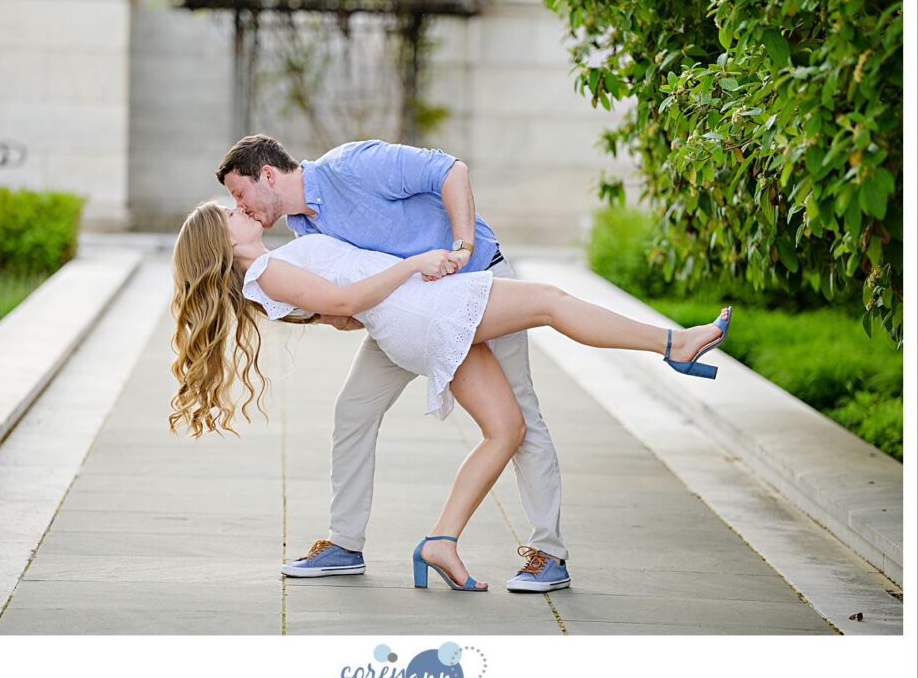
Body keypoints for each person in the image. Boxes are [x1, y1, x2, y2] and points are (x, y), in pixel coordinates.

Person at [168, 201, 732, 592]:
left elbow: (335, 310)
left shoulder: (272, 267)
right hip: (427, 308)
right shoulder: (266, 271)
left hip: (421, 316)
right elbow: (342, 300)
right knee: (553, 301)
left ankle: (441, 541)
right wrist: (414, 264)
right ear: (219, 241)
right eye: (226, 212)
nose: (236, 207)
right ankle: (674, 344)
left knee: (507, 429)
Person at [211, 134, 578, 593]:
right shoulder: (304, 229)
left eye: (239, 193)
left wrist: (462, 248)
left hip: (479, 284)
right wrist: (339, 314)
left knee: (519, 413)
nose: (239, 206)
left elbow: (452, 171)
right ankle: (345, 544)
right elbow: (353, 293)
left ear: (267, 175)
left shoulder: (352, 165)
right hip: (410, 315)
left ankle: (550, 552)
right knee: (354, 409)